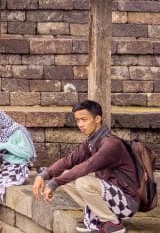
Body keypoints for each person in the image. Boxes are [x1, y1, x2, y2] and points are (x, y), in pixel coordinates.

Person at [32, 100, 138, 233]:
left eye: (84, 119)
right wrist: (44, 175)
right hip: (111, 195)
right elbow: (69, 161)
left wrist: (54, 183)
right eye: (77, 120)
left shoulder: (111, 144)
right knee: (64, 174)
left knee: (83, 182)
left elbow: (86, 167)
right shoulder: (92, 141)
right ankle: (97, 216)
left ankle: (113, 223)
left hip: (126, 203)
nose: (80, 124)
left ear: (97, 118)